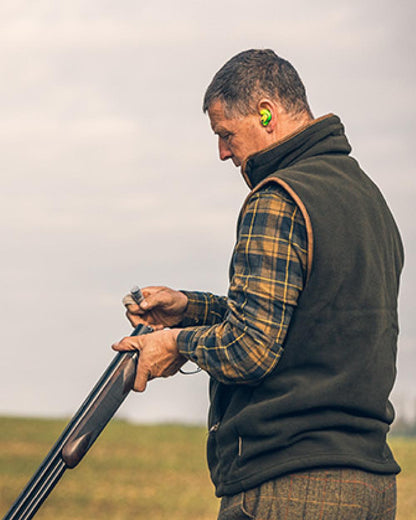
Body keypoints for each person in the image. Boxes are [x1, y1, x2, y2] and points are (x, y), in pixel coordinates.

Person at [113, 49, 404, 519]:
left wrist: (174, 345)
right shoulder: (370, 200)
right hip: (371, 487)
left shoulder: (277, 196)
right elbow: (297, 321)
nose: (223, 152)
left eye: (226, 134)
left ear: (266, 112)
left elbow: (251, 348)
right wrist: (189, 308)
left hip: (289, 488)